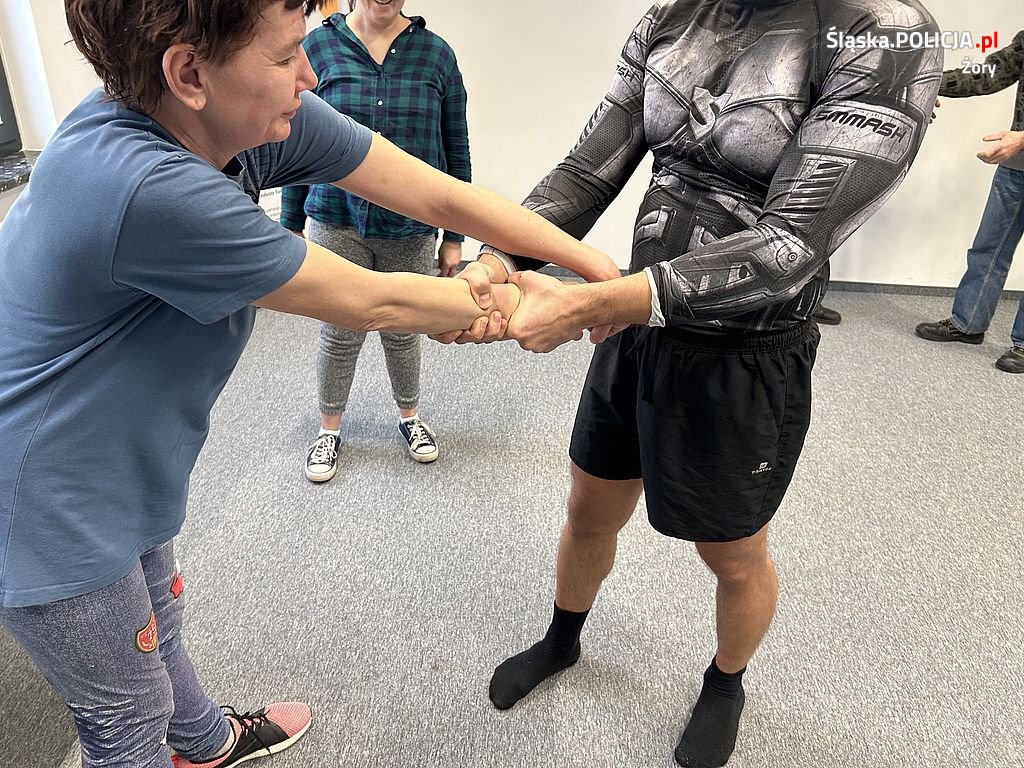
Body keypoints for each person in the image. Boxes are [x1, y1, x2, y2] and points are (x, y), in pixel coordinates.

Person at [0, 2, 621, 767]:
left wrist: (590, 265)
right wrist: (572, 303)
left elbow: (436, 193)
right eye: (286, 54)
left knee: (158, 617)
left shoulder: (226, 119)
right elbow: (378, 301)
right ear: (189, 72)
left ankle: (206, 744)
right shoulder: (145, 186)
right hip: (42, 496)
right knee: (127, 719)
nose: (310, 74)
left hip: (122, 462)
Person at [451, 2, 941, 765]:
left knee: (732, 554)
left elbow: (789, 247)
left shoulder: (880, 30)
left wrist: (586, 305)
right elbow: (585, 170)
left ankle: (725, 682)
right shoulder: (674, 16)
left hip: (744, 356)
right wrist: (497, 259)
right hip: (641, 328)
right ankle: (563, 639)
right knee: (589, 510)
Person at [281, 0, 471, 481]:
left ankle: (409, 418)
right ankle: (328, 430)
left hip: (411, 225)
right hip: (335, 218)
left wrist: (454, 236)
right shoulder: (317, 47)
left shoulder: (437, 55)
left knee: (404, 330)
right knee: (339, 332)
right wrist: (289, 224)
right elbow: (292, 139)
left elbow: (456, 147)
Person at [914, 30, 1024, 373]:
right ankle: (968, 323)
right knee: (988, 247)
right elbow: (988, 74)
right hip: (1016, 167)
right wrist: (927, 81)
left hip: (1018, 149)